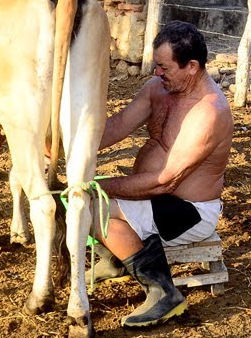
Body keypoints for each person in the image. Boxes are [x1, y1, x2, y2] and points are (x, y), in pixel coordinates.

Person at [89, 21, 234, 328]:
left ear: (191, 66)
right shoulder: (159, 89)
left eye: (164, 67)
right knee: (77, 200)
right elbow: (117, 126)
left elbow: (167, 180)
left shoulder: (209, 112)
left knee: (91, 208)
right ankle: (115, 259)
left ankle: (164, 293)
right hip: (157, 199)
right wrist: (62, 145)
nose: (157, 73)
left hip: (188, 211)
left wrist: (99, 186)